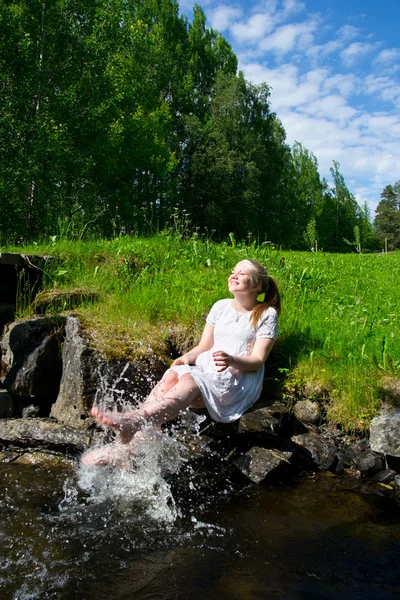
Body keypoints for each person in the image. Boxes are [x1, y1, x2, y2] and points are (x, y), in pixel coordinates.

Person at [82, 259, 280, 466]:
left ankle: (133, 423)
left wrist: (232, 360)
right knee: (172, 376)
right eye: (233, 271)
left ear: (257, 285)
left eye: (242, 273)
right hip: (208, 370)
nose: (234, 275)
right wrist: (186, 357)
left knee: (191, 382)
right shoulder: (220, 306)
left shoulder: (266, 314)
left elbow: (257, 361)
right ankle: (125, 449)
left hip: (236, 380)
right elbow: (204, 346)